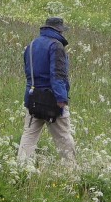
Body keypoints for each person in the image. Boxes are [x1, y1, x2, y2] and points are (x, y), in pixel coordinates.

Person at [19, 15, 76, 166]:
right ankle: (71, 170)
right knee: (63, 137)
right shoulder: (56, 46)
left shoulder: (31, 45)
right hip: (52, 100)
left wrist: (29, 97)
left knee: (29, 136)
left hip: (33, 99)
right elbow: (57, 74)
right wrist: (61, 99)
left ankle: (21, 167)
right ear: (58, 30)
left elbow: (28, 74)